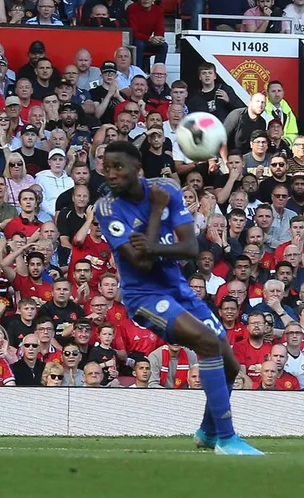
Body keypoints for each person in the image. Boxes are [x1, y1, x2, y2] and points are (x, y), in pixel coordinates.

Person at [95, 140, 261, 455]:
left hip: (179, 289)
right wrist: (156, 213)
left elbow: (191, 249)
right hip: (144, 296)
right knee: (208, 343)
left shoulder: (168, 189)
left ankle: (208, 432)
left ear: (138, 170)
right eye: (107, 167)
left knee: (229, 363)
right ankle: (227, 440)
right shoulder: (108, 208)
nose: (111, 173)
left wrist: (152, 243)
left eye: (119, 166)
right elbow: (140, 263)